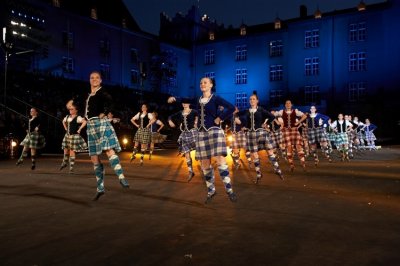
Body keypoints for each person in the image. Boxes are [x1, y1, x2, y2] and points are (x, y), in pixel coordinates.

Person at [168, 77, 237, 203]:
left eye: (205, 82)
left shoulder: (216, 98)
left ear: (211, 85)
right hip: (201, 133)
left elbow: (231, 108)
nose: (202, 84)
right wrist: (175, 98)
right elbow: (186, 100)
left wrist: (220, 118)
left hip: (214, 131)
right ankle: (211, 191)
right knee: (205, 163)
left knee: (220, 159)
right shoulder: (198, 100)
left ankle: (229, 190)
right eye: (200, 82)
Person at [84, 71, 129, 201]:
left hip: (101, 123)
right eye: (92, 77)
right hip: (91, 126)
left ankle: (121, 178)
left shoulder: (102, 92)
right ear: (89, 80)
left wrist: (104, 113)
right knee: (94, 158)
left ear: (101, 80)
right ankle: (100, 187)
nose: (94, 79)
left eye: (97, 78)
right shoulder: (88, 95)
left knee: (109, 150)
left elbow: (111, 103)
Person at [238, 94, 283, 183]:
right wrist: (243, 125)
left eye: (253, 99)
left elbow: (271, 116)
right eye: (250, 99)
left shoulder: (261, 110)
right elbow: (239, 117)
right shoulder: (246, 111)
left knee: (270, 151)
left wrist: (266, 124)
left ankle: (277, 169)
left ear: (257, 101)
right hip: (251, 134)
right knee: (254, 155)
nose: (252, 100)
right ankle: (259, 174)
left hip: (261, 133)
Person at [168, 98, 198, 181]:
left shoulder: (194, 111)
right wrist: (170, 121)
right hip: (184, 134)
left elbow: (201, 115)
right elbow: (170, 116)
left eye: (186, 103)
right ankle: (190, 171)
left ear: (189, 104)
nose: (184, 104)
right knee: (187, 153)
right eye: (183, 103)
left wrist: (196, 122)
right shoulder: (180, 113)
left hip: (193, 132)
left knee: (198, 146)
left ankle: (198, 155)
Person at [273, 100, 308, 171]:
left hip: (294, 130)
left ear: (291, 104)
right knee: (289, 147)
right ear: (285, 105)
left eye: (289, 103)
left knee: (299, 146)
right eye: (286, 103)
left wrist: (298, 121)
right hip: (286, 131)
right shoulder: (281, 112)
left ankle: (303, 163)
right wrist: (278, 122)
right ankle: (291, 165)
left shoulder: (296, 111)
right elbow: (272, 114)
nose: (288, 104)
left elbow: (304, 116)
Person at [59, 101, 88, 173]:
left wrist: (80, 129)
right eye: (70, 109)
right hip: (67, 135)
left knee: (72, 151)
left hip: (74, 136)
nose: (70, 110)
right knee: (65, 149)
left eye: (72, 109)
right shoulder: (67, 117)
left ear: (76, 110)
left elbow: (84, 122)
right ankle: (65, 162)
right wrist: (65, 128)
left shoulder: (78, 117)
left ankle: (71, 168)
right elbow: (63, 121)